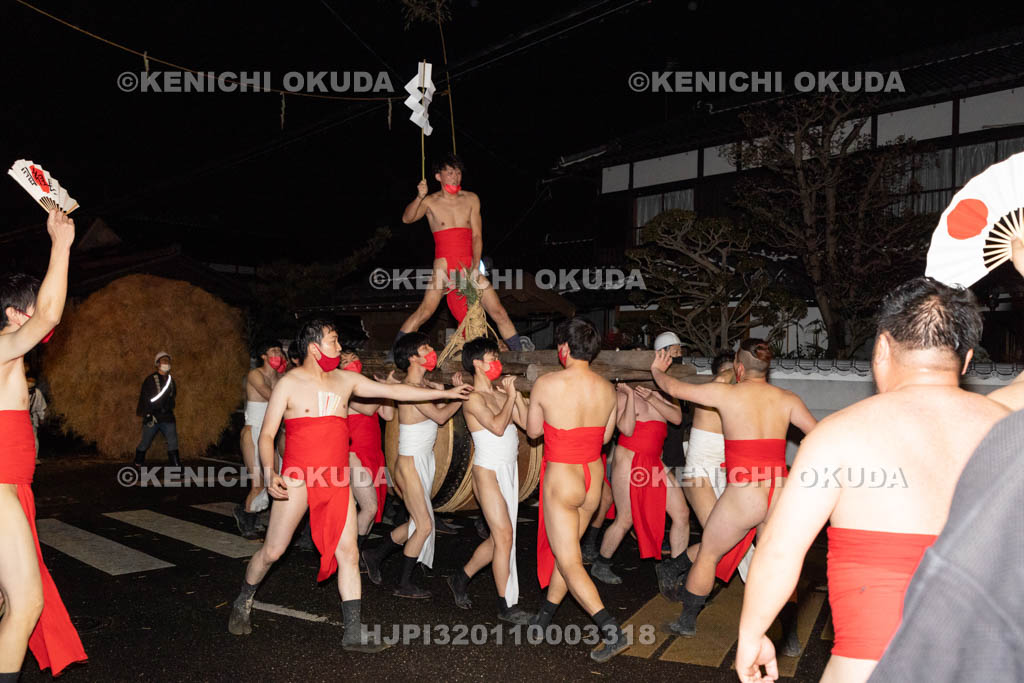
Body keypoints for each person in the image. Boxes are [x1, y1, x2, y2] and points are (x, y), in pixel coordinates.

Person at [734, 277, 1010, 683]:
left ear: (880, 349)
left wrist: (752, 632)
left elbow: (778, 549)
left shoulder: (838, 435)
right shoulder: (1009, 433)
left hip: (869, 666)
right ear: (967, 359)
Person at [227, 320, 471, 650]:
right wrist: (270, 472)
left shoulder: (344, 380)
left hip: (337, 478)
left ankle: (353, 632)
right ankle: (244, 599)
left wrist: (447, 393)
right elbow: (268, 434)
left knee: (349, 552)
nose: (339, 348)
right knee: (273, 551)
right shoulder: (289, 384)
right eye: (334, 341)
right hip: (299, 478)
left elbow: (394, 391)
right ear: (315, 347)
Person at [650, 338, 817, 638]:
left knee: (709, 555)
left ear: (739, 368)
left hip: (746, 490)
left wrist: (657, 370)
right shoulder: (788, 399)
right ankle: (788, 635)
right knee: (776, 561)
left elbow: (674, 389)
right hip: (778, 489)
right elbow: (818, 435)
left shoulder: (726, 394)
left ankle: (686, 622)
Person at [867, 410, 1024, 682]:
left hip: (900, 605)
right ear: (965, 365)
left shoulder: (1011, 434)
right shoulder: (995, 418)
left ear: (880, 364)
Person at [0, 209, 87, 678]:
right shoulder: (2, 345)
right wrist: (61, 244)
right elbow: (51, 312)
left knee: (14, 603)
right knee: (27, 603)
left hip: (12, 487)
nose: (44, 314)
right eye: (31, 306)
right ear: (15, 313)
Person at [527, 318, 631, 663]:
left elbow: (532, 432)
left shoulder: (546, 383)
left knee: (570, 561)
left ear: (564, 349)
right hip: (592, 476)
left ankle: (611, 630)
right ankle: (543, 620)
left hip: (563, 476)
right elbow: (604, 439)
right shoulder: (607, 388)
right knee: (566, 552)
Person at [361, 332, 466, 599]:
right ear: (412, 358)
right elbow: (441, 416)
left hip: (420, 461)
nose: (432, 350)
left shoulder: (423, 386)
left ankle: (374, 554)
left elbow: (435, 408)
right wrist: (459, 397)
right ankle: (404, 583)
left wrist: (444, 391)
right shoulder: (413, 389)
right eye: (425, 347)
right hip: (410, 464)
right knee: (425, 526)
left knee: (416, 524)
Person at [446, 337, 532, 624]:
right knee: (505, 536)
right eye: (491, 357)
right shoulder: (473, 397)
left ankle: (460, 577)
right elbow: (496, 426)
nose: (496, 361)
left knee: (500, 540)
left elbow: (531, 428)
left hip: (508, 471)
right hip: (487, 473)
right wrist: (509, 398)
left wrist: (517, 397)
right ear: (476, 364)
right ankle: (506, 606)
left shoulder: (499, 392)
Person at [395, 153, 520, 350]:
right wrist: (419, 197)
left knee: (498, 312)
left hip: (468, 265)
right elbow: (407, 219)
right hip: (444, 266)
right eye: (450, 172)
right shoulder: (429, 201)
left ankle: (519, 354)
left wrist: (475, 267)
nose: (456, 176)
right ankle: (395, 353)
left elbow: (477, 236)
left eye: (458, 172)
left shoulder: (471, 199)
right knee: (425, 312)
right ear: (439, 176)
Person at [591, 381, 687, 587]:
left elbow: (677, 418)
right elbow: (625, 429)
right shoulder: (622, 395)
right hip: (629, 460)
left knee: (682, 514)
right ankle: (601, 563)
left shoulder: (666, 393)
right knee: (625, 519)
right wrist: (631, 395)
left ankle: (676, 569)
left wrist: (652, 397)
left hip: (655, 462)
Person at [339, 350, 394, 549]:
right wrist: (385, 388)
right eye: (345, 361)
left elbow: (387, 415)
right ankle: (352, 552)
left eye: (353, 358)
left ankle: (353, 550)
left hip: (373, 454)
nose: (351, 362)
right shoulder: (346, 390)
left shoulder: (368, 388)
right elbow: (369, 409)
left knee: (370, 509)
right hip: (354, 455)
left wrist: (385, 390)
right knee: (369, 508)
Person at [234, 340, 286, 539]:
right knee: (258, 482)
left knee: (274, 479)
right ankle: (247, 519)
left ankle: (247, 511)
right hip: (254, 431)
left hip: (270, 434)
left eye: (280, 351)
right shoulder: (256, 375)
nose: (279, 354)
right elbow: (272, 396)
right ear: (263, 355)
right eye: (274, 350)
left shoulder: (281, 377)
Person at [134, 351, 179, 468]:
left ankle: (176, 466)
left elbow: (172, 397)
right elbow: (144, 398)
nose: (166, 363)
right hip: (153, 417)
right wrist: (147, 414)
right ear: (157, 364)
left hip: (168, 417)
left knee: (173, 441)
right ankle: (137, 463)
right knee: (145, 442)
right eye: (164, 361)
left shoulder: (171, 381)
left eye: (168, 361)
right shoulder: (150, 380)